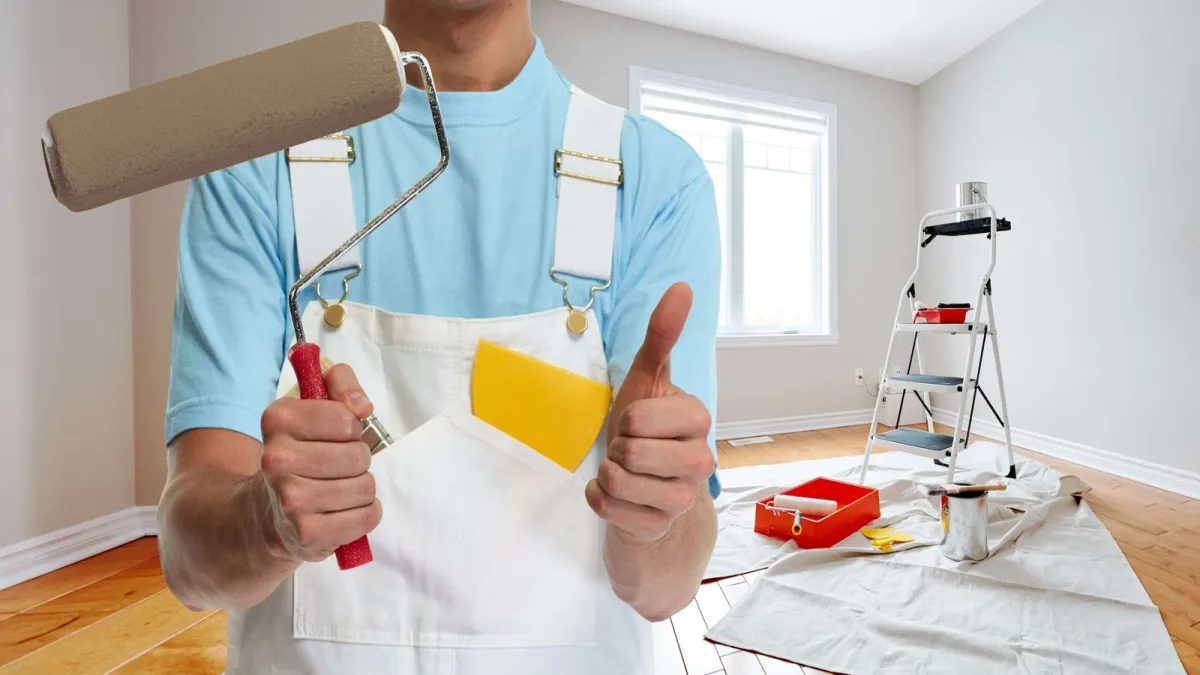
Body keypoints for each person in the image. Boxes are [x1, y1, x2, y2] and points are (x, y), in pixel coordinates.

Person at [157, 0, 721, 672]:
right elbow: (191, 565)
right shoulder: (253, 168)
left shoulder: (657, 179)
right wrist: (264, 522)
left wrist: (649, 519)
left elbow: (667, 585)